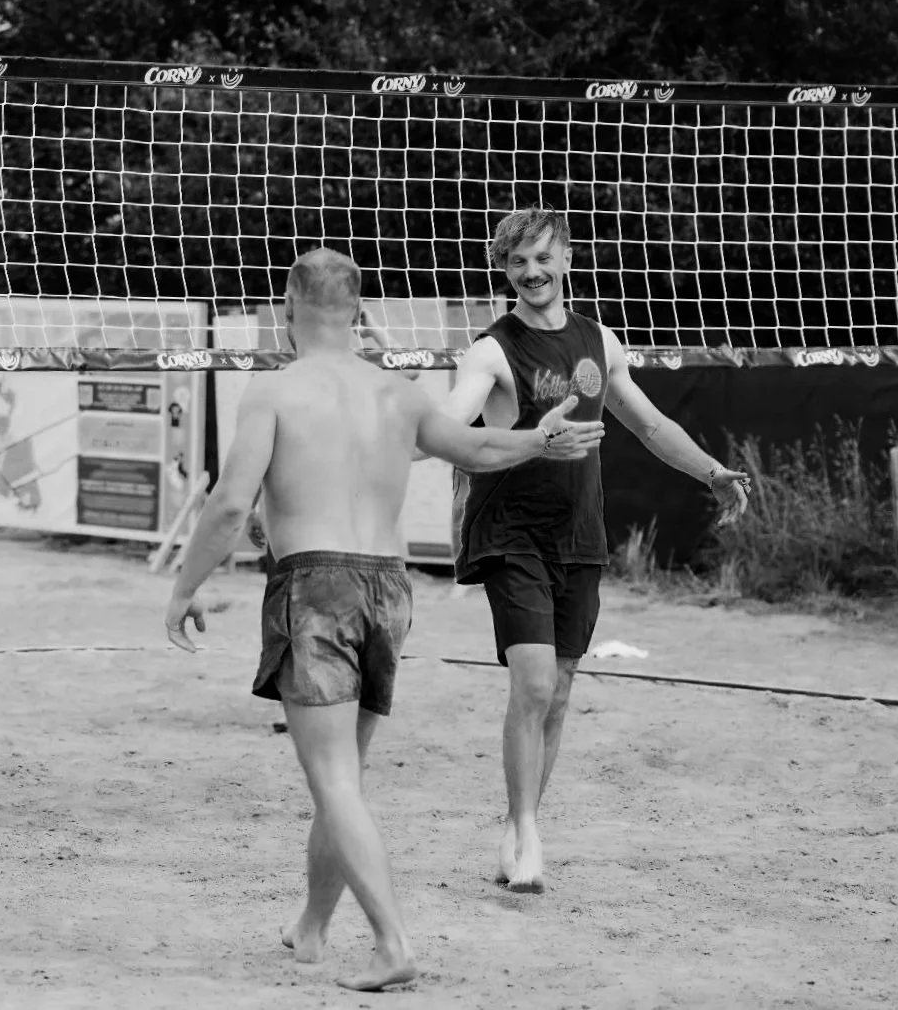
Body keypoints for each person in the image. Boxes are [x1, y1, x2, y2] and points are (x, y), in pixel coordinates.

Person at [162, 247, 604, 992]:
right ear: (359, 311)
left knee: (333, 777)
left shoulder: (273, 389)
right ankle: (310, 923)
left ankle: (392, 940)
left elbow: (232, 504)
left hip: (316, 584)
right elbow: (475, 447)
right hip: (389, 589)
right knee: (345, 775)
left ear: (287, 306)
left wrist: (181, 592)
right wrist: (539, 438)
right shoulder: (396, 392)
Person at [432, 206, 751, 892]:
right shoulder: (490, 350)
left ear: (567, 258)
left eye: (542, 257)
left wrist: (711, 472)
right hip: (509, 532)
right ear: (504, 269)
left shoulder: (598, 341)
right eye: (517, 261)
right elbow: (450, 431)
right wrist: (444, 435)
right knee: (535, 682)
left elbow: (650, 423)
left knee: (560, 691)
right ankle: (526, 833)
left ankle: (518, 826)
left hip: (578, 535)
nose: (531, 271)